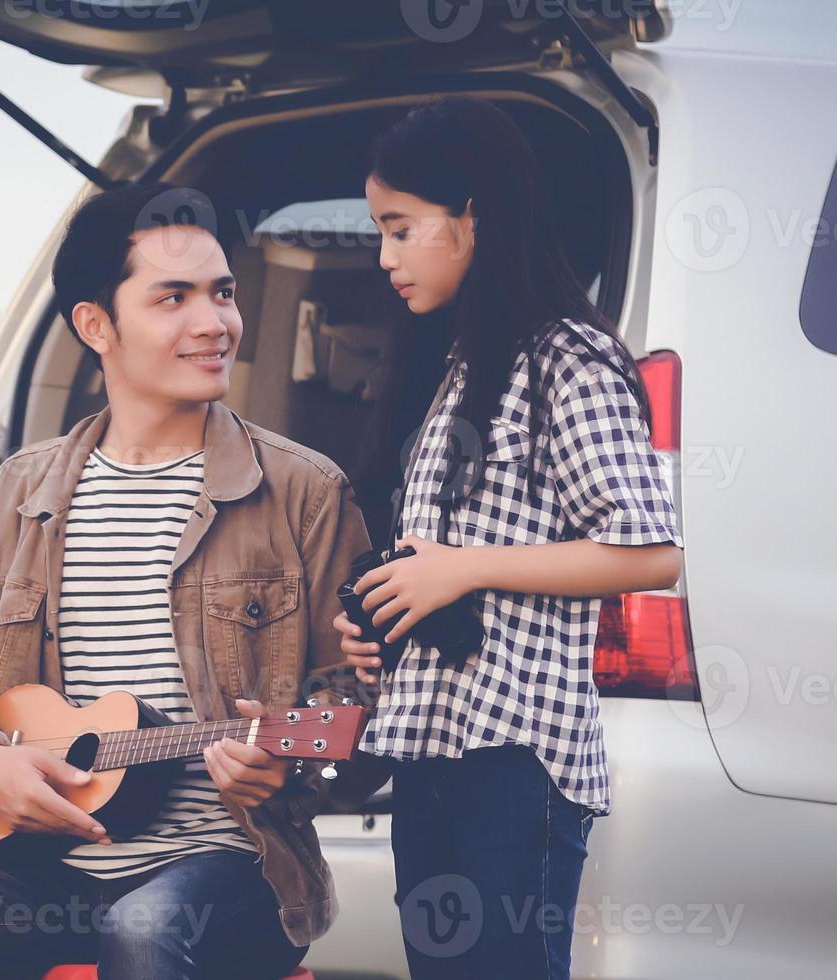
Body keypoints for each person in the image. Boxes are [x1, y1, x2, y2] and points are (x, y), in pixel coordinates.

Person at [0, 183, 385, 980]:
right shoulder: (20, 492)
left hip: (231, 867)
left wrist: (289, 763)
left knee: (143, 930)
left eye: (222, 293)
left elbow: (357, 698)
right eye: (173, 297)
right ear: (96, 325)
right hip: (38, 871)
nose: (214, 322)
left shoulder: (303, 491)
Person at [339, 98, 683, 979]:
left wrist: (461, 572)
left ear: (473, 216)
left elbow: (651, 550)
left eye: (400, 227)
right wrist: (387, 617)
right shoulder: (456, 366)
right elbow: (441, 569)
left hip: (516, 756)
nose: (384, 257)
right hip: (427, 746)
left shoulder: (569, 357)